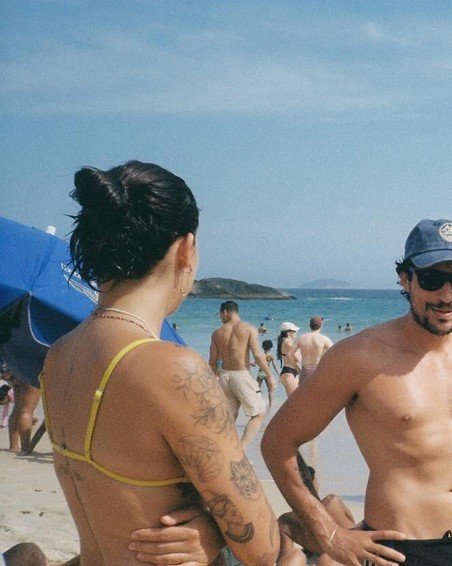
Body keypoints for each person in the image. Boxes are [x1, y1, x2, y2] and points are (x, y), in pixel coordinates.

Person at [39, 160, 279, 563]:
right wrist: (213, 529)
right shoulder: (171, 369)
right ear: (185, 248)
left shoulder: (60, 354)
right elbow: (261, 545)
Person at [262, 219, 452, 565]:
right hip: (399, 550)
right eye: (432, 279)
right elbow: (277, 442)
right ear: (406, 279)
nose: (447, 295)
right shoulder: (358, 357)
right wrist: (328, 533)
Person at [210, 300, 277, 448]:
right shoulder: (248, 329)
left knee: (230, 417)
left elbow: (213, 361)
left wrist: (212, 380)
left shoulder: (217, 334)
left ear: (225, 312)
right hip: (241, 375)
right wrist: (270, 376)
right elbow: (258, 355)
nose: (220, 318)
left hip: (223, 376)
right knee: (258, 413)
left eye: (220, 315)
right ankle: (241, 450)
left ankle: (225, 450)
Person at [5, 369, 41, 454]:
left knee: (18, 408)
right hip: (31, 373)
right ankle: (25, 448)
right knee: (27, 410)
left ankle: (13, 446)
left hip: (17, 373)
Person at [296, 316, 333, 385]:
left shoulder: (301, 338)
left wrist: (297, 369)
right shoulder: (324, 339)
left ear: (310, 325)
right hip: (318, 370)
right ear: (321, 326)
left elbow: (289, 354)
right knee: (319, 394)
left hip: (305, 370)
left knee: (305, 394)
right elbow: (335, 354)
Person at [277, 322, 302, 396]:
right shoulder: (288, 343)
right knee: (294, 400)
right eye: (294, 331)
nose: (296, 333)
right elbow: (298, 359)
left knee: (294, 400)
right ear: (288, 333)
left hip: (291, 371)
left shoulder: (288, 342)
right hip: (289, 372)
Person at [257, 339, 277, 407]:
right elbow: (274, 367)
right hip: (267, 373)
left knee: (257, 389)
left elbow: (254, 365)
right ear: (271, 347)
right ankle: (270, 405)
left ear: (263, 347)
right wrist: (279, 374)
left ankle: (258, 403)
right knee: (270, 390)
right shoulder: (271, 356)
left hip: (260, 372)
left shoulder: (260, 355)